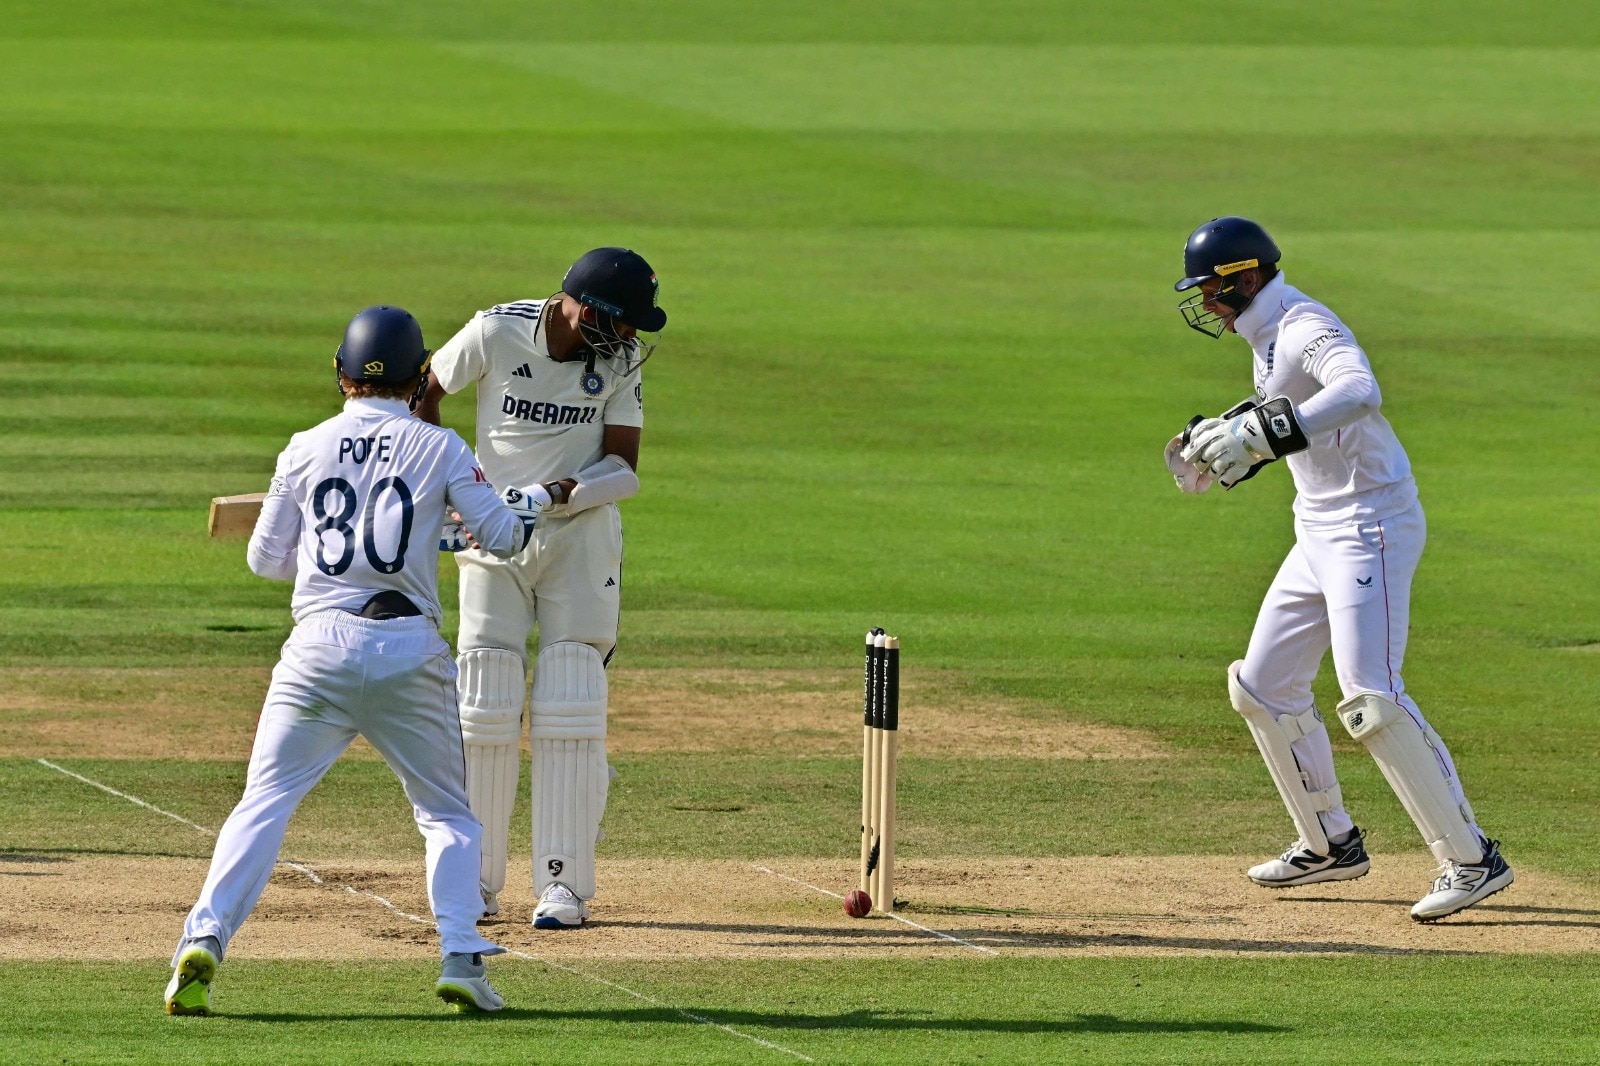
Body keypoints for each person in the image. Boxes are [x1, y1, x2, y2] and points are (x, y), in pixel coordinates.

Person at [164, 306, 551, 1016]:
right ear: (419, 377)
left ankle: (205, 938)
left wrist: (325, 561)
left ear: (341, 373)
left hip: (317, 649)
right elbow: (501, 537)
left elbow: (265, 559)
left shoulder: (303, 446)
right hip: (408, 649)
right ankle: (461, 957)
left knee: (264, 803)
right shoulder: (440, 446)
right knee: (448, 815)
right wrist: (522, 504)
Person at [1165, 217, 1513, 922]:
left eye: (1210, 290)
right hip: (1318, 527)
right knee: (1262, 686)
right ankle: (1330, 844)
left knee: (1371, 699)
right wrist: (1234, 438)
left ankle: (1473, 859)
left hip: (1370, 527)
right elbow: (1298, 415)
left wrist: (1262, 433)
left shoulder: (1303, 325)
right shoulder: (1264, 335)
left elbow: (1359, 390)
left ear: (1245, 279)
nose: (1205, 304)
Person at [416, 247, 664, 929]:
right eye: (623, 321)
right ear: (587, 310)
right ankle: (473, 881)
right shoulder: (495, 330)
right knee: (484, 700)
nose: (630, 337)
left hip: (578, 538)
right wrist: (455, 488)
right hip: (492, 537)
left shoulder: (617, 360)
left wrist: (552, 493)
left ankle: (564, 885)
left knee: (571, 695)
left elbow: (624, 466)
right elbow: (424, 393)